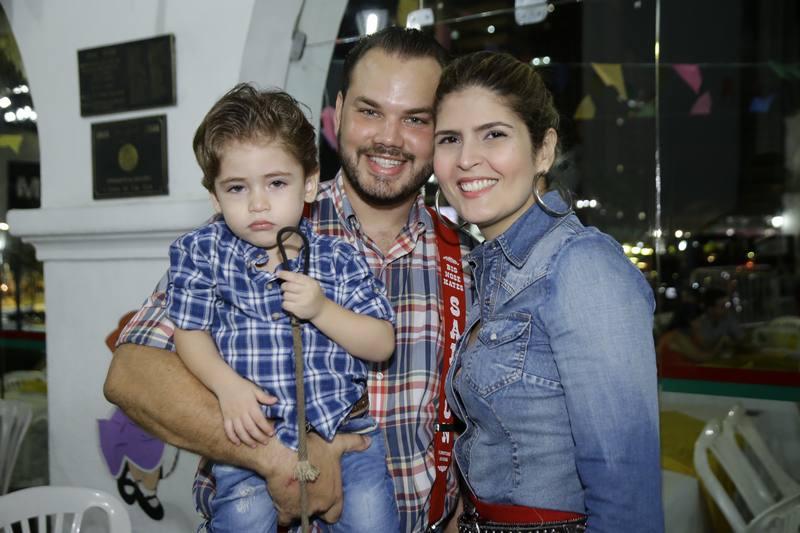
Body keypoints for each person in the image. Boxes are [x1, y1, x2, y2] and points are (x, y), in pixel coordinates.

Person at [104, 27, 471, 533]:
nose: (389, 136)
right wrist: (279, 460)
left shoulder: (464, 258)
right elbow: (130, 375)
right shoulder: (247, 232)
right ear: (338, 112)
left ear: (440, 129)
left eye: (415, 119)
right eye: (369, 111)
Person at [432, 51, 663, 532]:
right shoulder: (487, 271)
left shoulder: (582, 266)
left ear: (544, 150)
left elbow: (627, 498)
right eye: (449, 139)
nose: (466, 159)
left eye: (494, 134)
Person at [165, 84, 398, 532]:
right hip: (251, 438)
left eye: (276, 183)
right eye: (237, 187)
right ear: (215, 197)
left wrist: (321, 309)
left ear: (309, 183)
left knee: (372, 522)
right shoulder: (201, 253)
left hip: (343, 430)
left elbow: (381, 342)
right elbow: (188, 332)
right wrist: (226, 387)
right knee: (243, 517)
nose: (257, 203)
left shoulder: (339, 257)